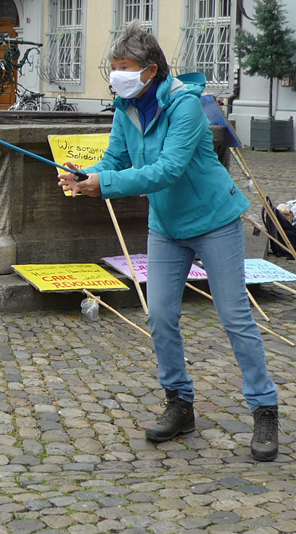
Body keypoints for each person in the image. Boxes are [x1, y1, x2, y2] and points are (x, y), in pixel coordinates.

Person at [58, 21, 279, 463]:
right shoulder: (126, 107)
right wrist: (86, 176)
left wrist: (105, 184)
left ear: (150, 69)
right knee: (159, 315)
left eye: (125, 67)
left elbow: (168, 169)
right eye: (114, 67)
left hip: (214, 220)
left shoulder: (186, 106)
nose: (116, 74)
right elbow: (116, 157)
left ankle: (264, 407)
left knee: (234, 316)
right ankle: (180, 404)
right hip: (166, 225)